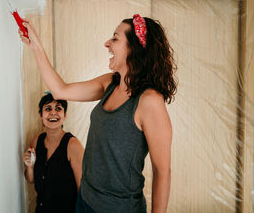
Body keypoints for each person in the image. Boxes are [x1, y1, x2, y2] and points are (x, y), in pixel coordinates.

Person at [20, 14, 177, 213]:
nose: (107, 43)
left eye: (115, 38)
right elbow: (60, 90)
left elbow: (162, 172)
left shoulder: (149, 101)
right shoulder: (110, 83)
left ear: (133, 48)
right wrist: (35, 46)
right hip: (85, 201)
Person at [24, 93, 84, 213]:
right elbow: (31, 180)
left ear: (65, 115)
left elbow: (82, 190)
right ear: (40, 115)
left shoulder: (72, 145)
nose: (53, 113)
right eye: (48, 108)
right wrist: (30, 167)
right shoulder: (37, 140)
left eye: (58, 108)